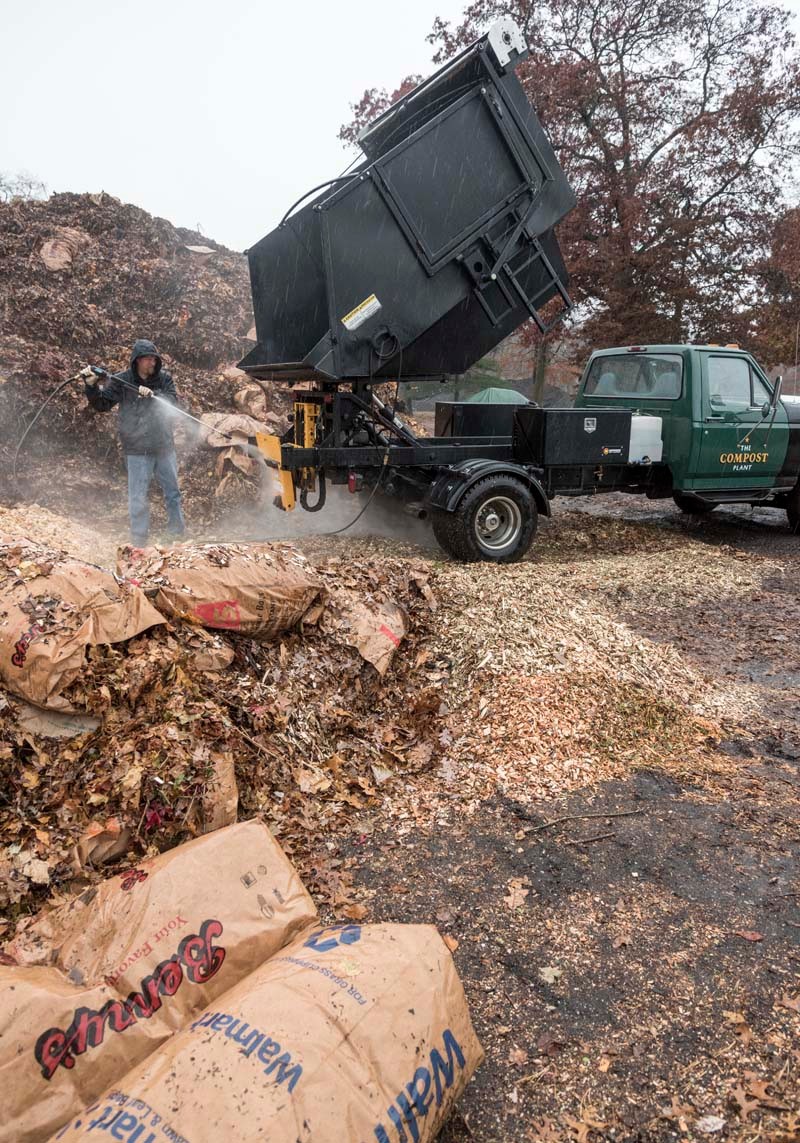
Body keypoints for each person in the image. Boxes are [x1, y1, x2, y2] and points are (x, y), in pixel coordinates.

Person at [84, 338, 186, 546]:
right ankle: (139, 541)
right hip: (137, 449)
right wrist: (91, 387)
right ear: (137, 361)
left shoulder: (164, 379)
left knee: (173, 493)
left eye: (155, 360)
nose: (153, 364)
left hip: (164, 446)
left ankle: (176, 533)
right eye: (148, 359)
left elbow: (172, 401)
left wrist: (154, 394)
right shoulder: (122, 381)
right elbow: (102, 404)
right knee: (138, 498)